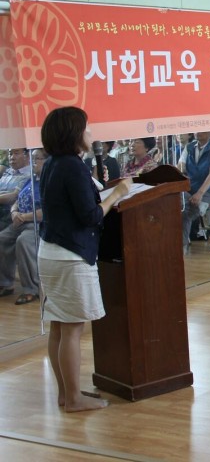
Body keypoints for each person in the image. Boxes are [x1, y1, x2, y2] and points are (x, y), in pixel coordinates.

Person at [37, 106, 132, 412]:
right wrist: (117, 193)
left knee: (59, 326)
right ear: (74, 133)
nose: (91, 133)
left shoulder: (54, 164)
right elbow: (90, 216)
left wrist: (95, 183)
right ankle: (74, 399)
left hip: (51, 252)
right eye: (86, 128)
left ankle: (66, 394)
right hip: (71, 255)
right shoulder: (71, 167)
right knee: (72, 329)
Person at [0, 149, 45, 304]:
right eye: (32, 159)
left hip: (37, 223)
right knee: (2, 239)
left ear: (47, 161)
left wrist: (24, 217)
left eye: (37, 159)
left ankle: (31, 289)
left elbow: (48, 211)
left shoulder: (49, 182)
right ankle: (5, 283)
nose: (33, 162)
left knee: (23, 241)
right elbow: (17, 200)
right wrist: (14, 212)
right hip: (19, 220)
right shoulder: (31, 180)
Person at [178, 131, 210, 254]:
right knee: (175, 205)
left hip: (209, 192)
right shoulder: (189, 147)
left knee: (186, 211)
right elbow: (181, 165)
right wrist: (180, 169)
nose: (198, 132)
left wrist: (200, 193)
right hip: (189, 190)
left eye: (201, 129)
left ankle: (181, 246)